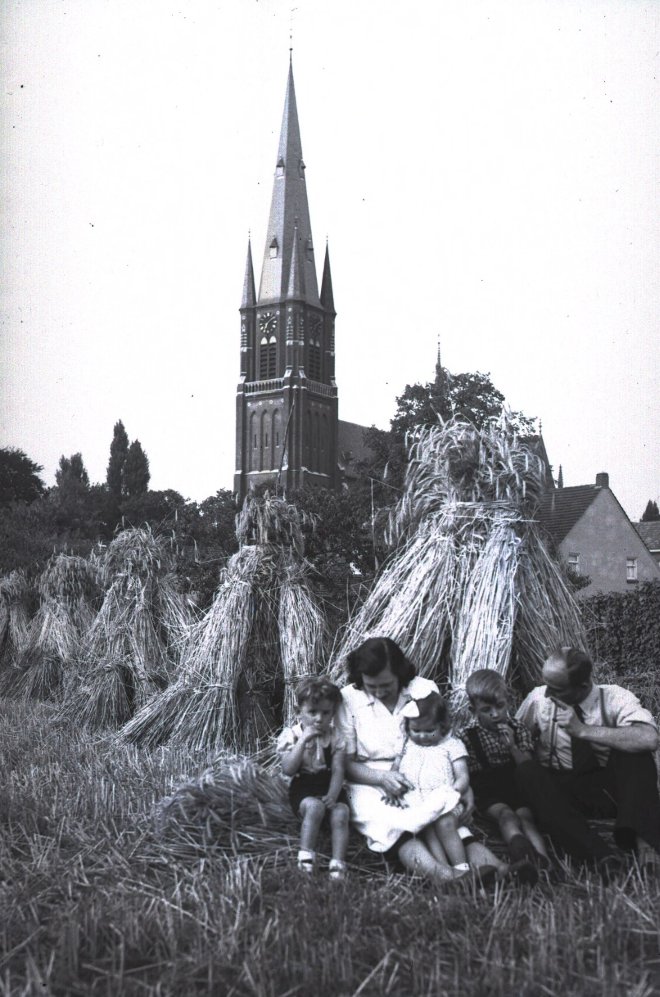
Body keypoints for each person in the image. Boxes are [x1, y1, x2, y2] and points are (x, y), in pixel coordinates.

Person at [336, 636, 509, 883]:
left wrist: (463, 786)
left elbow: (443, 741)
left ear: (400, 673)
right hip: (367, 780)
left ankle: (500, 870)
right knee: (393, 824)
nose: (378, 692)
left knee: (445, 819)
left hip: (422, 770)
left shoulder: (423, 690)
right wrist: (382, 777)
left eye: (386, 684)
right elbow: (345, 763)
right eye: (370, 686)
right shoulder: (348, 699)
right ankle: (446, 877)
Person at [515, 646, 660, 875]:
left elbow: (650, 739)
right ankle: (602, 857)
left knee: (634, 752)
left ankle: (644, 846)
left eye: (556, 689)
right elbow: (516, 734)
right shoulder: (538, 700)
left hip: (609, 791)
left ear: (582, 686)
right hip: (562, 793)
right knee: (527, 772)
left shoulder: (614, 696)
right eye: (546, 685)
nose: (547, 694)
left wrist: (582, 730)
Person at [458, 669, 550, 883]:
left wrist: (512, 747)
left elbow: (526, 766)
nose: (495, 714)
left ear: (508, 702)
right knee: (506, 816)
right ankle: (523, 855)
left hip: (515, 783)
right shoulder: (467, 736)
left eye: (500, 706)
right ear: (473, 711)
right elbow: (470, 773)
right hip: (488, 789)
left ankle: (544, 863)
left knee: (526, 818)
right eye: (486, 709)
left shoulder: (517, 729)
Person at [277, 675, 350, 880]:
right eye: (312, 712)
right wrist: (303, 742)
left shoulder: (335, 736)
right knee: (314, 807)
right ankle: (306, 857)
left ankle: (338, 864)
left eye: (326, 713)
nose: (319, 719)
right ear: (298, 712)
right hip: (304, 785)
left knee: (341, 812)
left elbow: (337, 770)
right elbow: (288, 770)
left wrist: (333, 795)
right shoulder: (291, 735)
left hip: (328, 784)